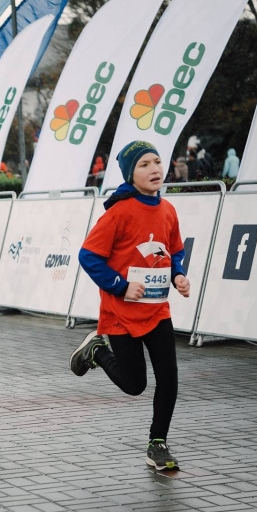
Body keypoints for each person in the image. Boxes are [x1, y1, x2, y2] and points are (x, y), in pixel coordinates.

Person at [68, 140, 190, 472]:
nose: (154, 169)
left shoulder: (167, 209)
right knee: (135, 384)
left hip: (156, 310)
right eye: (144, 164)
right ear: (130, 174)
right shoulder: (119, 212)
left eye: (157, 162)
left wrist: (178, 274)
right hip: (120, 313)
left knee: (169, 377)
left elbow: (173, 250)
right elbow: (88, 257)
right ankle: (97, 351)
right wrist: (121, 286)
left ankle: (158, 442)